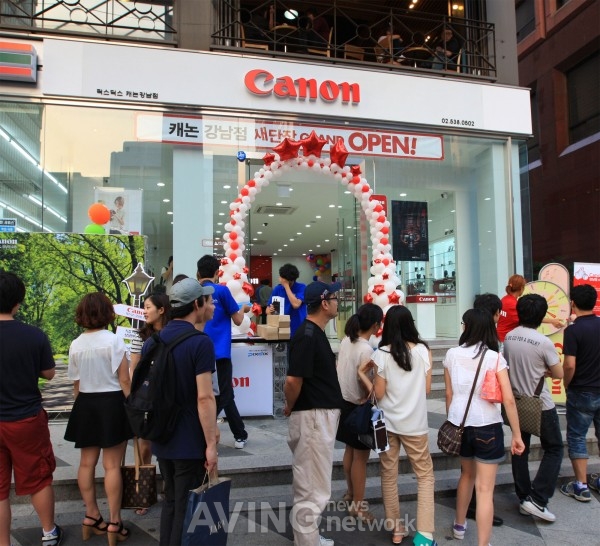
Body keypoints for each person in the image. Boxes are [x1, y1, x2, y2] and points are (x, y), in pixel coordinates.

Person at [145, 277, 217, 545]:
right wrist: (211, 444)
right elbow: (204, 397)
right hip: (189, 437)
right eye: (206, 300)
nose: (209, 304)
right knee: (186, 507)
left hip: (162, 434)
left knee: (172, 501)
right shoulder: (200, 342)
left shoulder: (154, 341)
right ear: (196, 304)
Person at [444, 308, 524, 546]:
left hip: (460, 425)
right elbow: (508, 399)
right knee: (485, 489)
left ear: (467, 327)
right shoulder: (494, 357)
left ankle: (459, 526)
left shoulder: (451, 354)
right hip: (487, 425)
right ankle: (482, 543)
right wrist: (517, 434)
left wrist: (453, 419)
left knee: (466, 476)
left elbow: (448, 393)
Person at [358, 305, 436, 546]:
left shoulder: (381, 354)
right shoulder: (423, 351)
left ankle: (396, 529)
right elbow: (426, 389)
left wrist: (363, 376)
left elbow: (379, 394)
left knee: (389, 474)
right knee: (424, 476)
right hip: (416, 425)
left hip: (387, 425)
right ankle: (425, 535)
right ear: (411, 324)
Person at [64, 292, 133, 544]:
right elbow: (124, 380)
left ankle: (91, 516)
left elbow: (76, 384)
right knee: (112, 465)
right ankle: (114, 522)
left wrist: (82, 407)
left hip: (85, 403)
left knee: (86, 464)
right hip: (112, 403)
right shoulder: (114, 341)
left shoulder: (76, 344)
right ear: (107, 313)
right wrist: (134, 407)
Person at [0, 272, 63, 546]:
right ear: (18, 302)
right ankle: (49, 533)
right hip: (25, 419)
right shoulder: (33, 335)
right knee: (38, 478)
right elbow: (49, 373)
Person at [284, 280, 343, 546]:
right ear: (324, 303)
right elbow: (292, 380)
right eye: (335, 298)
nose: (338, 302)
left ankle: (309, 537)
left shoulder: (313, 333)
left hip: (318, 416)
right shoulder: (307, 335)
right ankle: (307, 542)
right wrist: (290, 405)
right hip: (313, 418)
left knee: (314, 483)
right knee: (311, 487)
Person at [503, 294, 563, 521]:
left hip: (517, 401)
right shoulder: (543, 342)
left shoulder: (509, 337)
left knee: (520, 448)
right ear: (541, 315)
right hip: (540, 403)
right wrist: (545, 370)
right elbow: (558, 373)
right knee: (554, 448)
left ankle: (524, 497)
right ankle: (537, 498)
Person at [335, 303, 383, 522]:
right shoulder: (366, 349)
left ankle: (350, 493)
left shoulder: (346, 340)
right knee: (360, 459)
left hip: (344, 403)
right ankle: (359, 507)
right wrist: (368, 395)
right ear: (375, 325)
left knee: (349, 451)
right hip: (359, 406)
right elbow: (365, 380)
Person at [197, 255, 250, 449]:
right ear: (216, 272)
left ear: (198, 273)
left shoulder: (194, 293)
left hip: (198, 352)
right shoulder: (222, 291)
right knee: (225, 394)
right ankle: (230, 432)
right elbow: (238, 320)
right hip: (220, 352)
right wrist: (243, 309)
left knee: (212, 393)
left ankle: (239, 433)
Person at [129, 292, 171, 515]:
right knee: (144, 448)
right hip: (145, 400)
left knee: (167, 446)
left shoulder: (173, 334)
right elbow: (134, 370)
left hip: (168, 398)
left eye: (148, 307)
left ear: (161, 310)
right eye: (144, 307)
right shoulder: (141, 336)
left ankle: (169, 490)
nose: (144, 311)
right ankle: (143, 494)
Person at [466, 293, 504, 527]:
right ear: (495, 314)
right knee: (484, 477)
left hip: (466, 417)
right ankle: (481, 510)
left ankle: (464, 517)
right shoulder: (491, 346)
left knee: (469, 472)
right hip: (486, 416)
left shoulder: (464, 343)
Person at [560, 284, 600, 502]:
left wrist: (567, 384)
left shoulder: (573, 331)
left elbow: (569, 365)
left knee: (577, 436)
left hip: (581, 390)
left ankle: (581, 485)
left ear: (573, 303)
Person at [266, 263, 306, 336]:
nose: (286, 283)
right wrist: (271, 310)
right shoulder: (277, 289)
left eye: (289, 282)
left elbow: (296, 305)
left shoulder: (301, 287)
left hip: (298, 327)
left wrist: (286, 286)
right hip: (282, 329)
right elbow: (267, 310)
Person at [496, 274, 527, 344]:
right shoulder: (515, 304)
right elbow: (529, 318)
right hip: (507, 341)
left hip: (498, 338)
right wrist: (551, 321)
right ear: (521, 288)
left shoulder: (503, 300)